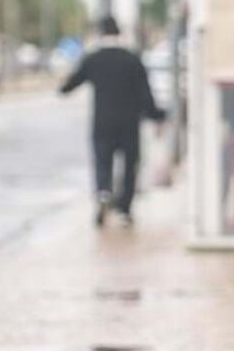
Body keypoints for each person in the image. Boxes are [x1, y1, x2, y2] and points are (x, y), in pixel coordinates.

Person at [59, 16, 164, 227]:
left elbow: (70, 85)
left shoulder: (93, 59)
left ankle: (103, 191)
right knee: (129, 165)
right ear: (119, 33)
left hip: (102, 122)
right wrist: (157, 116)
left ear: (100, 33)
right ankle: (125, 209)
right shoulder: (132, 59)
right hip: (129, 123)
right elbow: (145, 94)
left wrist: (64, 84)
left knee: (102, 161)